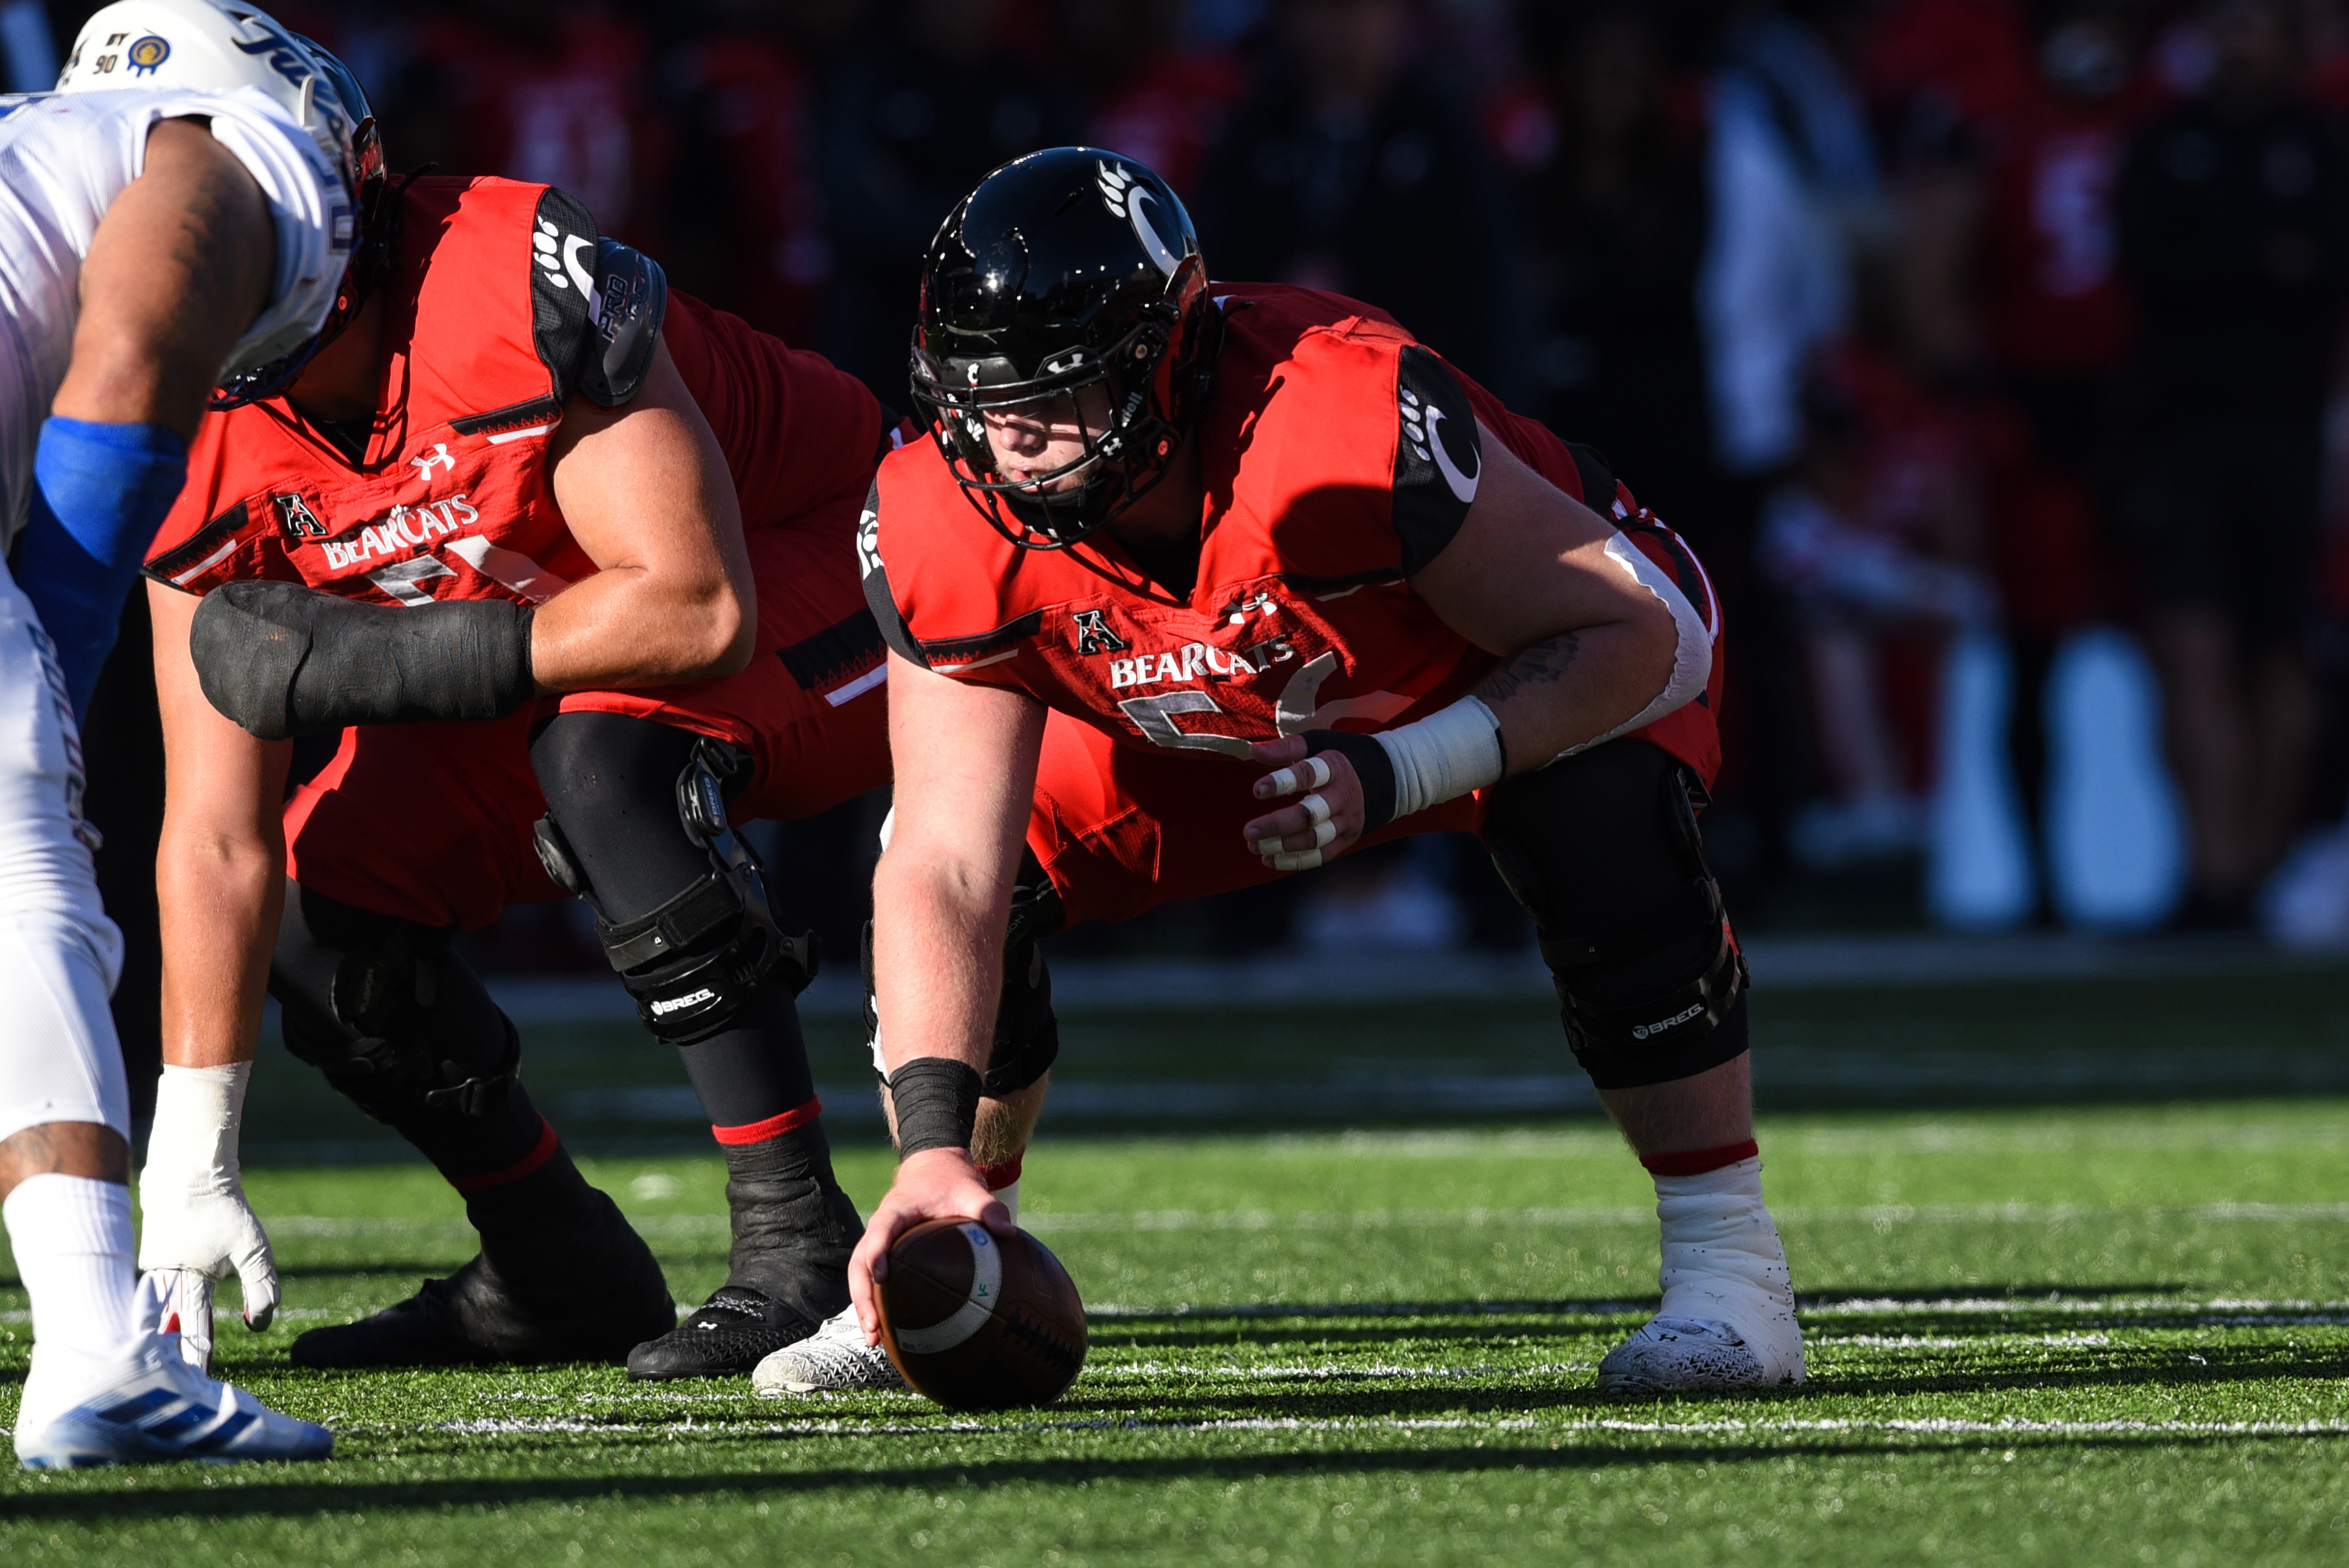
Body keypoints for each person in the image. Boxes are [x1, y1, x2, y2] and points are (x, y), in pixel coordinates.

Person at [758, 148, 1801, 1398]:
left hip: (1477, 674)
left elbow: (1655, 633)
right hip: (1204, 717)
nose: (1012, 445)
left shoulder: (1340, 425)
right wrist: (928, 1150)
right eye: (982, 402)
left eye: (1055, 399)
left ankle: (1731, 1277)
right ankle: (950, 1248)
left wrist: (1406, 766)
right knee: (993, 883)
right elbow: (943, 856)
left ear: (1163, 363)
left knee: (1599, 814)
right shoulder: (942, 514)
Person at [139, 84, 892, 1382]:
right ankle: (556, 1264)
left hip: (822, 561)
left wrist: (383, 657)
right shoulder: (176, 434)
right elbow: (214, 840)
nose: (169, 260)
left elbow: (696, 606)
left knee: (604, 762)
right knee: (323, 916)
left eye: (206, 217)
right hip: (554, 632)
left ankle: (797, 1240)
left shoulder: (493, 275)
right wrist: (192, 1142)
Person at [1, 0, 353, 1466]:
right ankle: (96, 1346)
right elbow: (135, 363)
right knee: (28, 888)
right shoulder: (226, 147)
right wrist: (63, 657)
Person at [2114, 0, 2349, 926]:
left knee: (2283, 655)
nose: (2240, 41)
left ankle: (2254, 868)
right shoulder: (2164, 143)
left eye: (2259, 24)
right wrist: (2262, 266)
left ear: (2294, 44)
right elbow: (2149, 270)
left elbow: (2322, 270)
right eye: (2227, 23)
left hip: (2290, 435)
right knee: (2191, 645)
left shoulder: (2323, 149)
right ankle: (2210, 872)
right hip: (2184, 433)